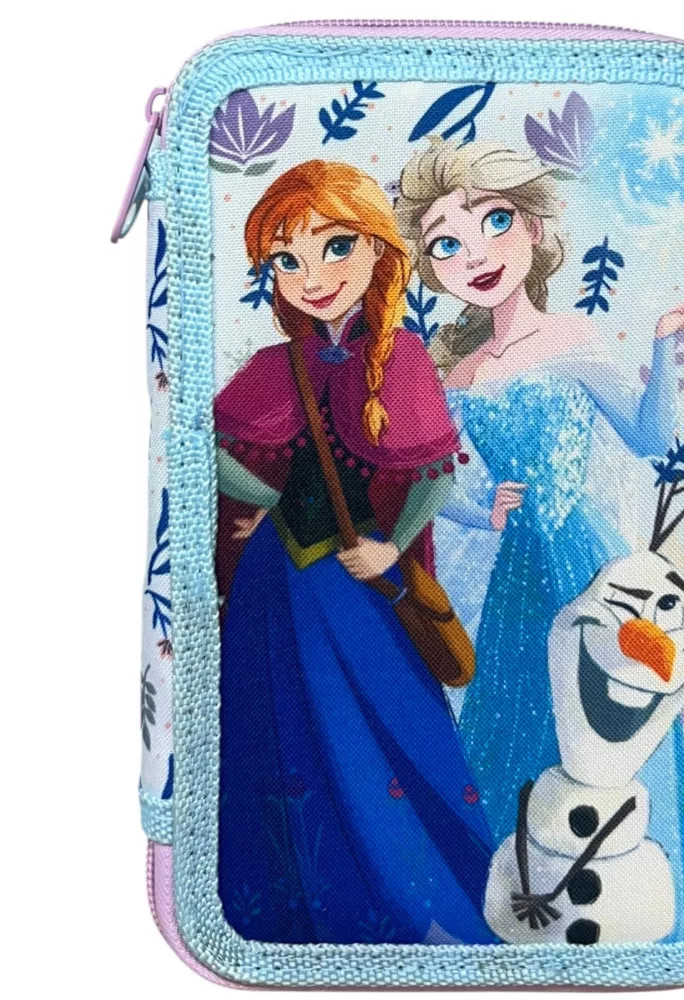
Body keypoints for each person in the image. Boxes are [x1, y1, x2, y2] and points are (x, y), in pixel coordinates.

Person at [396, 139, 684, 938]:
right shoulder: (455, 371)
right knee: (514, 711)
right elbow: (430, 483)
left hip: (585, 559)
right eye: (445, 244)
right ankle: (503, 909)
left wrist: (663, 343)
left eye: (494, 222)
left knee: (604, 708)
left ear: (534, 230)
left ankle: (627, 902)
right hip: (518, 573)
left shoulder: (571, 340)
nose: (473, 255)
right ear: (429, 267)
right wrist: (482, 510)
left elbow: (649, 439)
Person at [214, 160, 495, 945]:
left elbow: (434, 475)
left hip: (360, 583)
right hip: (280, 584)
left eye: (336, 247)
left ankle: (427, 903)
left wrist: (390, 549)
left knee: (385, 728)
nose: (313, 276)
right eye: (287, 259)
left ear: (380, 250)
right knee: (284, 729)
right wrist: (258, 488)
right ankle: (297, 904)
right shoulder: (276, 367)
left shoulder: (402, 357)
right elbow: (226, 457)